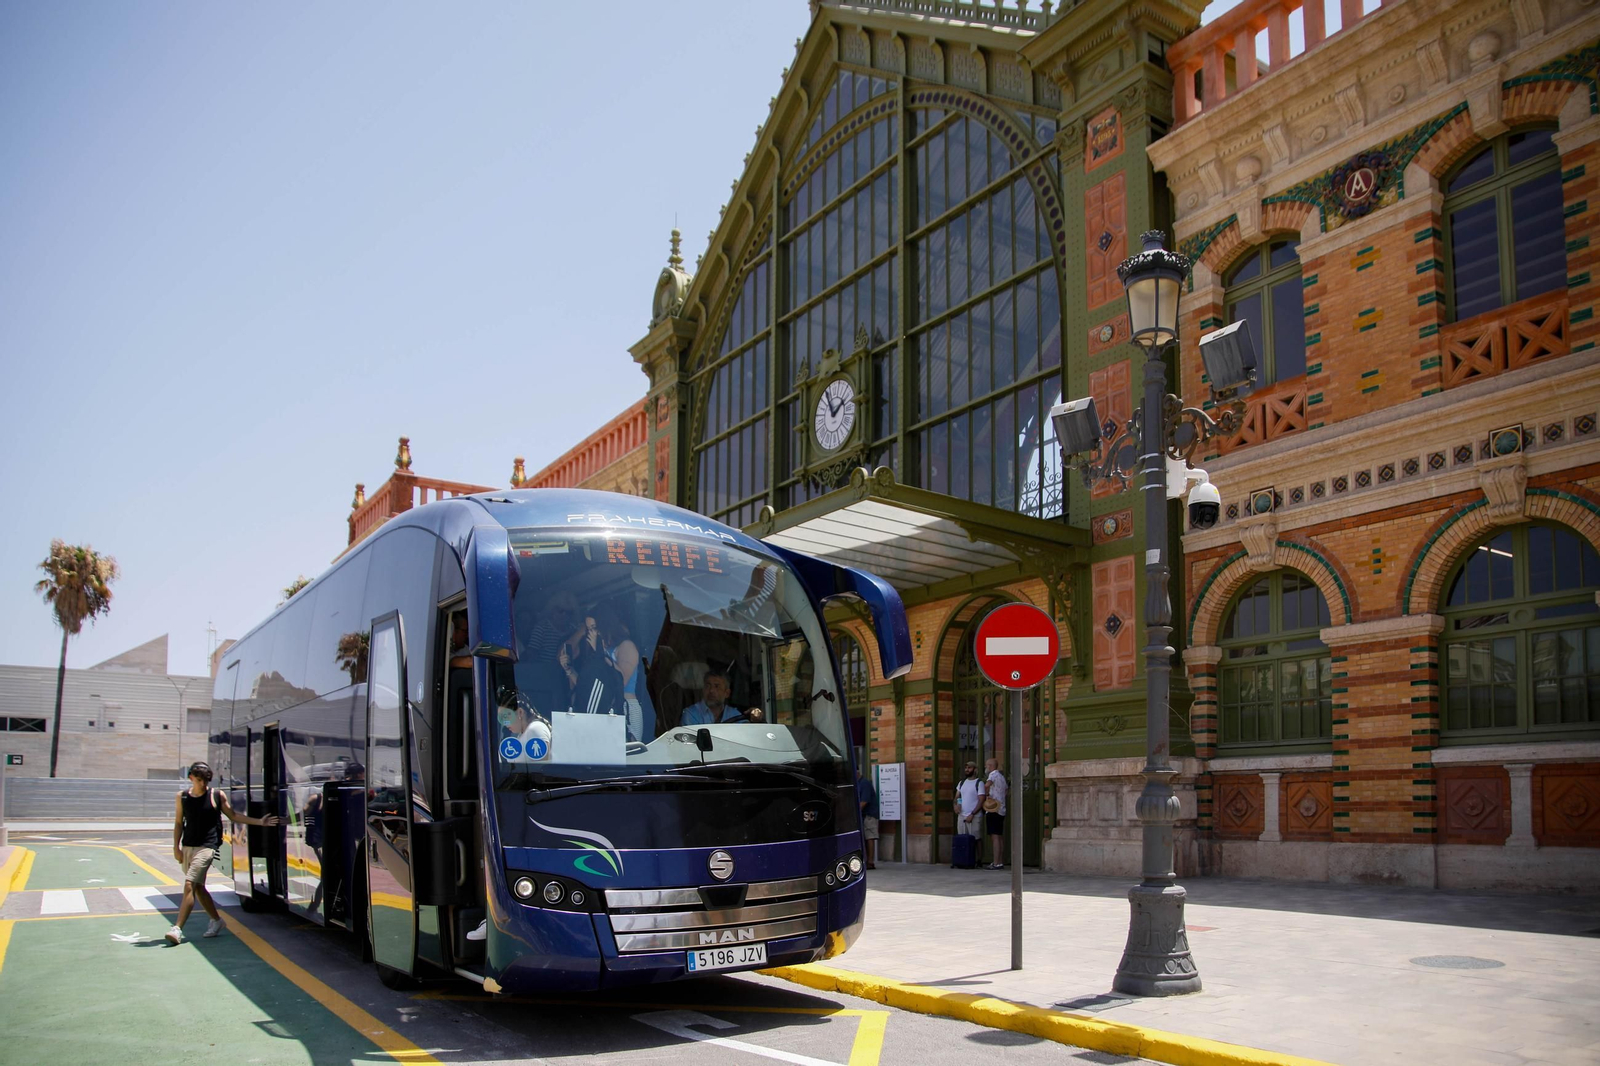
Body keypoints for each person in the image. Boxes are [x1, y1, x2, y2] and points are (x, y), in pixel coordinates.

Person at [168, 761, 282, 945]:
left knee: (190, 884)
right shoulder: (181, 797)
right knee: (198, 887)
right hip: (189, 846)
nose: (203, 784)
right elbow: (179, 823)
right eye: (199, 780)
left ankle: (177, 928)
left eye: (206, 781)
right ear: (191, 778)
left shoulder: (216, 795)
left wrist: (260, 822)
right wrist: (176, 848)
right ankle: (216, 920)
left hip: (208, 846)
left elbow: (234, 816)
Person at [680, 670, 764, 725]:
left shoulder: (734, 714)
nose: (711, 690)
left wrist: (755, 718)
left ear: (727, 693)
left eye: (717, 686)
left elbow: (745, 735)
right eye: (707, 686)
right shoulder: (691, 714)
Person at [983, 757, 1009, 870]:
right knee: (999, 836)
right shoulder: (1002, 777)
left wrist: (987, 795)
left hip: (993, 809)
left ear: (990, 766)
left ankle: (996, 862)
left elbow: (987, 785)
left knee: (994, 837)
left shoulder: (992, 775)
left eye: (986, 765)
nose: (985, 767)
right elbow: (1007, 791)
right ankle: (1000, 861)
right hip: (1001, 809)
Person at [953, 761, 983, 844]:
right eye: (966, 768)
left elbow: (981, 800)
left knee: (976, 839)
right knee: (962, 839)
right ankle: (964, 857)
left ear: (975, 769)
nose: (967, 769)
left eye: (969, 768)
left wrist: (972, 814)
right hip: (962, 815)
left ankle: (979, 857)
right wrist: (957, 805)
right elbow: (957, 796)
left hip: (975, 816)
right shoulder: (961, 783)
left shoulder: (979, 783)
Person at [856, 766, 878, 870]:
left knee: (869, 837)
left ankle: (870, 862)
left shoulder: (864, 783)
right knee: (865, 837)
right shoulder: (858, 783)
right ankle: (866, 860)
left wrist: (854, 812)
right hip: (863, 815)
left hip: (869, 815)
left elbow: (864, 801)